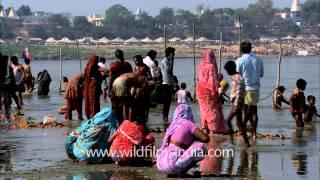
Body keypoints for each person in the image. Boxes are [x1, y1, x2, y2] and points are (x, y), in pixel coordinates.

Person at [156, 104, 209, 175]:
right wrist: (202, 132)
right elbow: (205, 138)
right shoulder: (188, 123)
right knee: (201, 148)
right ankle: (183, 171)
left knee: (181, 150)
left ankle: (175, 170)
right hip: (173, 165)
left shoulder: (172, 125)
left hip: (161, 164)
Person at [197, 49, 230, 134]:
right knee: (211, 109)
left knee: (203, 109)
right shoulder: (211, 66)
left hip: (200, 89)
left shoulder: (200, 65)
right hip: (209, 89)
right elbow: (213, 80)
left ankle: (204, 126)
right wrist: (216, 89)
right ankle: (213, 128)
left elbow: (199, 78)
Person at [236, 42, 264, 139]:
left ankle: (243, 131)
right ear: (251, 49)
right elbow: (261, 74)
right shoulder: (258, 60)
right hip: (255, 88)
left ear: (241, 50)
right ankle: (254, 133)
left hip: (245, 89)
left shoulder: (240, 60)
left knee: (245, 111)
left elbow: (237, 75)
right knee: (254, 111)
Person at [224, 61, 250, 147]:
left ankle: (232, 142)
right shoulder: (236, 77)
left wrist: (236, 105)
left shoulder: (237, 78)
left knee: (228, 121)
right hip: (237, 103)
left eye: (227, 70)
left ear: (230, 69)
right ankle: (247, 143)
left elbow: (239, 92)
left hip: (237, 104)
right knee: (239, 124)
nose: (227, 72)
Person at [108, 49, 133, 121]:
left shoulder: (113, 65)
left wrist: (109, 89)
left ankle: (118, 122)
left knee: (115, 106)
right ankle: (126, 121)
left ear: (115, 56)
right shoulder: (127, 65)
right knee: (125, 105)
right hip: (125, 87)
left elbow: (111, 78)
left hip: (115, 87)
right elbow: (130, 75)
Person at [160, 47, 176, 121]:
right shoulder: (165, 61)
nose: (174, 54)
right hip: (166, 83)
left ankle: (166, 116)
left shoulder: (168, 60)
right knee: (166, 101)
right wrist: (172, 60)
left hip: (170, 83)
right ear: (170, 54)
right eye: (173, 53)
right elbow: (168, 70)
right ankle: (164, 116)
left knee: (168, 102)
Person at [0, 54, 15, 120]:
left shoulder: (8, 66)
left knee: (5, 101)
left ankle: (7, 118)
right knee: (5, 101)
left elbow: (10, 78)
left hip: (5, 86)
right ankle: (7, 117)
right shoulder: (7, 66)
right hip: (5, 86)